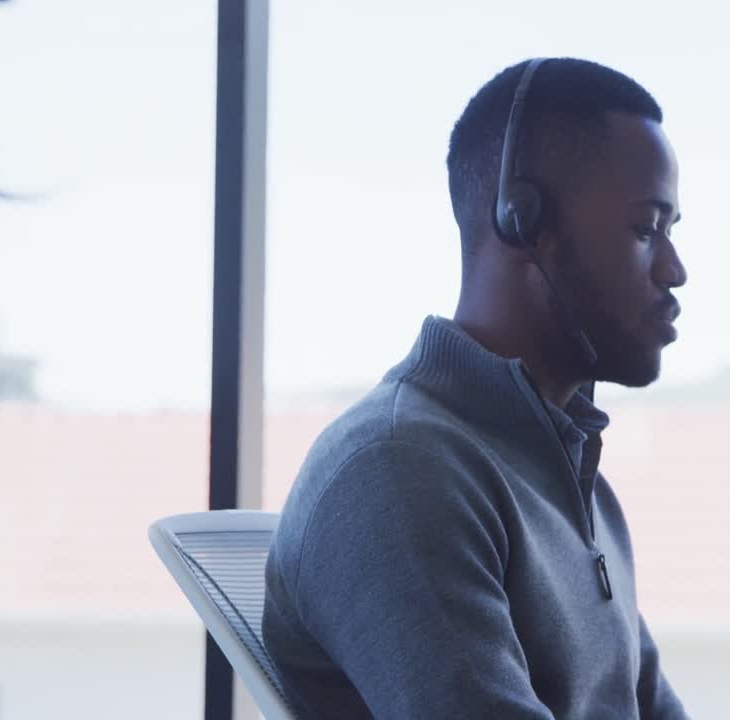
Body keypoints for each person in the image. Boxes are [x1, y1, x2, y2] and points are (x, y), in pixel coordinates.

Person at [262, 56, 690, 719]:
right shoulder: (400, 469)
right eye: (645, 228)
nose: (675, 269)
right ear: (524, 221)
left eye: (671, 232)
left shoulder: (577, 483)